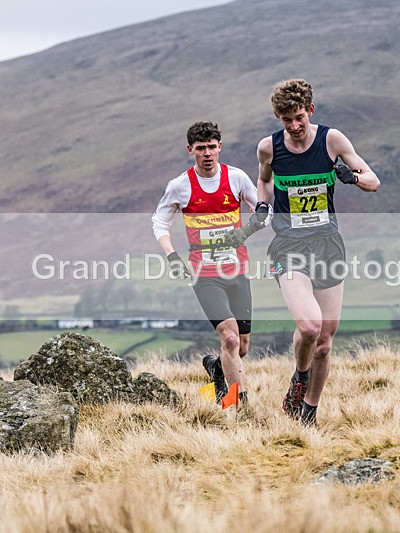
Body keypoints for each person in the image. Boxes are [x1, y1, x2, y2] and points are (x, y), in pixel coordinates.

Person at [255, 79, 380, 425]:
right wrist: (262, 205)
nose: (294, 126)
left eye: (298, 117)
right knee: (309, 327)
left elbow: (373, 180)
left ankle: (308, 411)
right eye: (286, 120)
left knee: (325, 340)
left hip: (327, 245)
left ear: (310, 110)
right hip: (288, 246)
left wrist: (351, 178)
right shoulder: (269, 147)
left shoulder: (332, 140)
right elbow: (264, 180)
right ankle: (299, 376)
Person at [152, 121, 265, 404]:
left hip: (237, 270)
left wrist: (246, 230)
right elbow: (159, 223)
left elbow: (265, 211)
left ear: (220, 147)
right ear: (190, 150)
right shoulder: (180, 186)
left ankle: (216, 367)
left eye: (211, 147)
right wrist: (172, 256)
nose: (207, 154)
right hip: (203, 273)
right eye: (200, 148)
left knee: (242, 347)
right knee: (229, 338)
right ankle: (239, 406)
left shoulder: (236, 178)